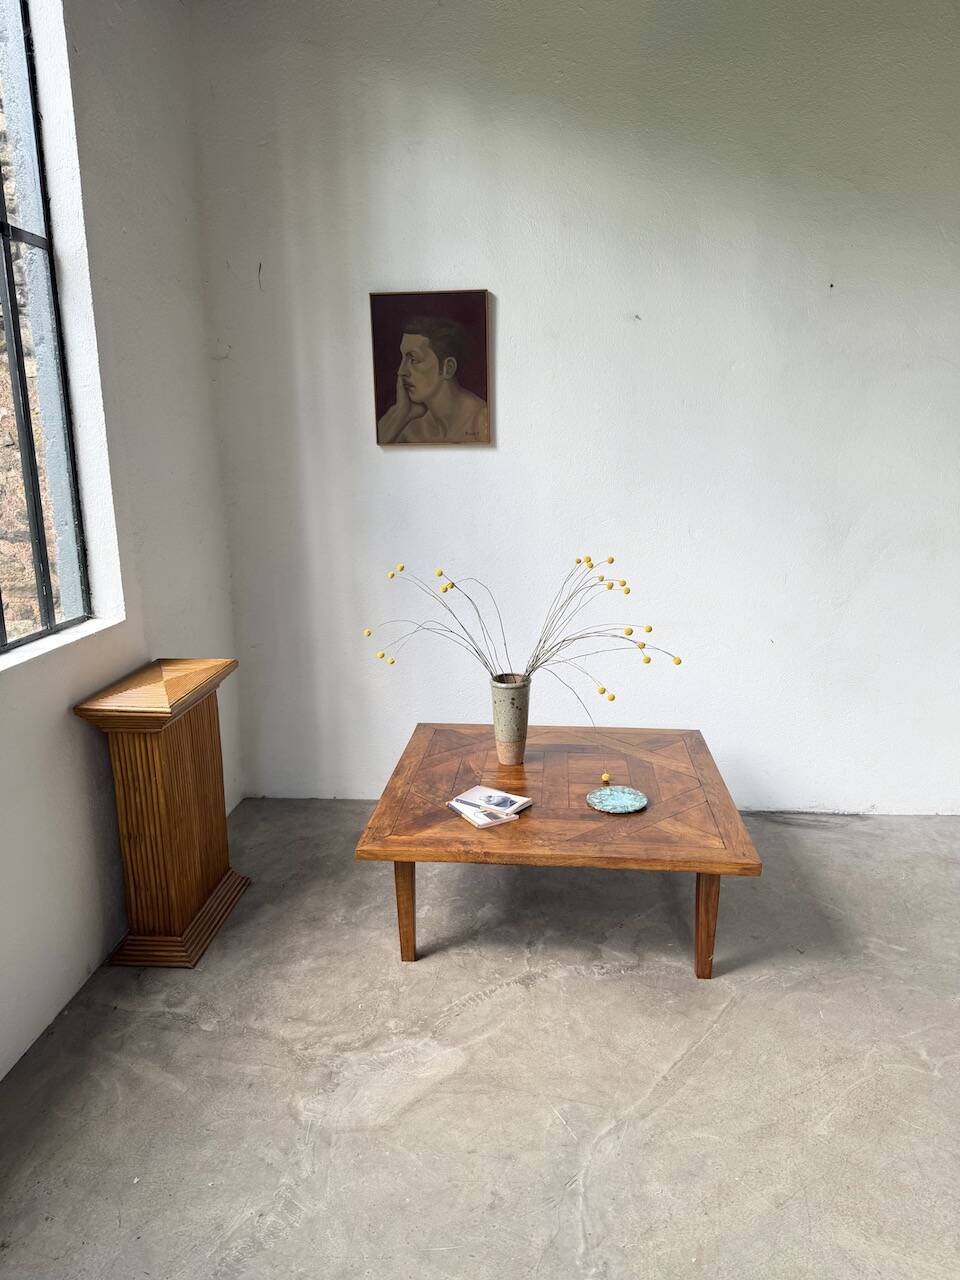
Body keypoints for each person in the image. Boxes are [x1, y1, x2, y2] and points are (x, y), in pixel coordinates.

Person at [377, 315, 489, 444]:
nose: (401, 371)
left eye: (413, 359)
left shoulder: (482, 421)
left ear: (448, 368)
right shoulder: (409, 425)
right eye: (402, 358)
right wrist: (400, 412)